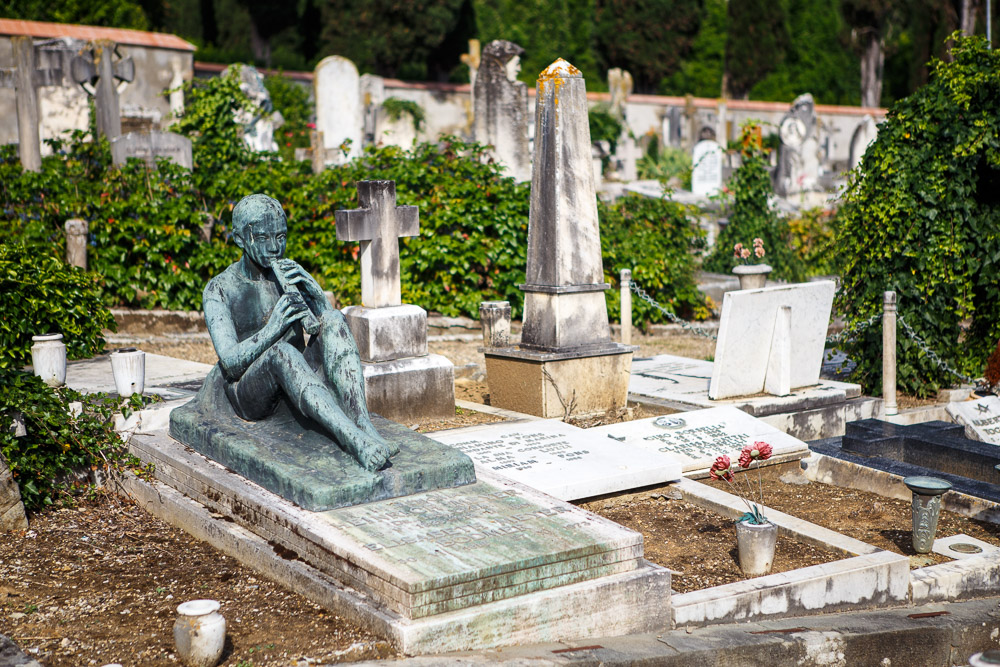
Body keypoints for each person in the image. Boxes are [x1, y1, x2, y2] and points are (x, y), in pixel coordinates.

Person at [202, 193, 396, 471]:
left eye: (281, 237)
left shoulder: (286, 275)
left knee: (334, 318)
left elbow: (324, 331)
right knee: (282, 352)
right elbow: (231, 363)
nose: (274, 247)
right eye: (263, 238)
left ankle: (363, 423)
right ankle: (354, 440)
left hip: (298, 377)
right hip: (249, 393)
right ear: (241, 240)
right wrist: (274, 328)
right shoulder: (219, 289)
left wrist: (318, 297)